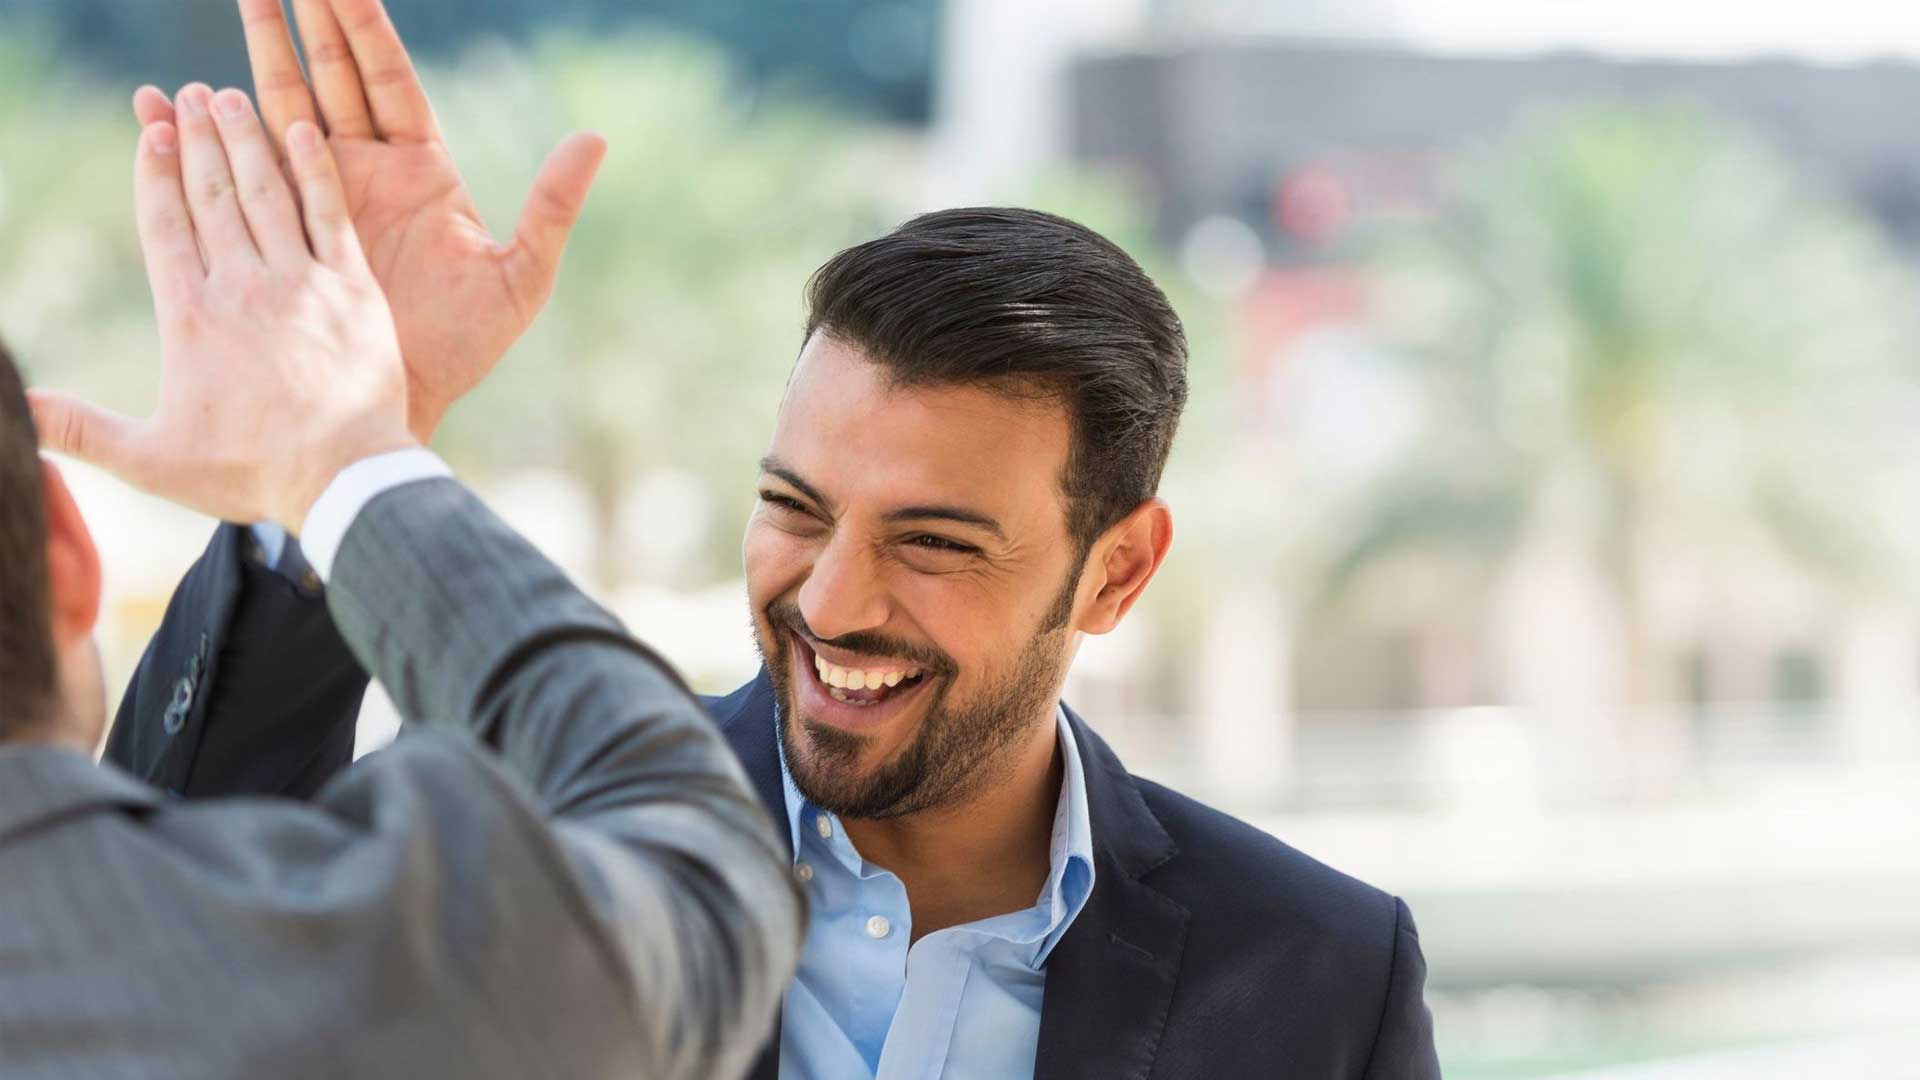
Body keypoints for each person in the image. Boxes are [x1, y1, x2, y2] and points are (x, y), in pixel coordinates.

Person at [38, 0, 1443, 1076]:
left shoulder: (1323, 970)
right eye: (795, 507)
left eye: (936, 542)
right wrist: (339, 453)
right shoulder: (527, 843)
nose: (832, 599)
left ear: (1119, 570)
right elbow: (167, 940)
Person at [7, 82, 800, 1078]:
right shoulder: (392, 976)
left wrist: (345, 469)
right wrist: (345, 457)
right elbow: (697, 882)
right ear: (67, 556)